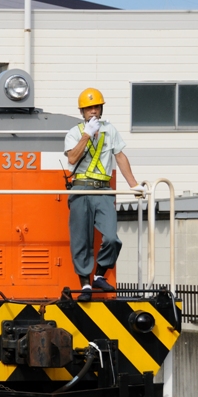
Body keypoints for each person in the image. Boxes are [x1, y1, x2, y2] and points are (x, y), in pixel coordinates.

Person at [64, 88, 145, 302]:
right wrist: (86, 135)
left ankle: (99, 274)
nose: (92, 111)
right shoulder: (74, 132)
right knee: (82, 239)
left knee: (111, 237)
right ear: (82, 111)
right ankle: (86, 285)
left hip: (103, 189)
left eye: (96, 107)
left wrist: (134, 185)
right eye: (88, 108)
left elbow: (120, 156)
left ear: (101, 109)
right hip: (81, 188)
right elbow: (72, 159)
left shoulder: (111, 130)